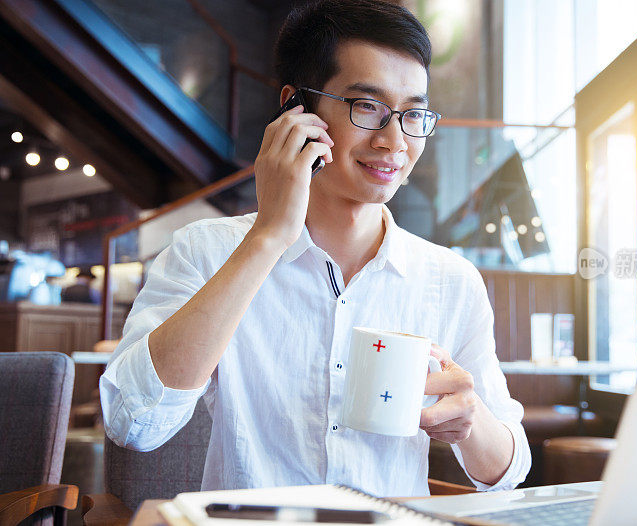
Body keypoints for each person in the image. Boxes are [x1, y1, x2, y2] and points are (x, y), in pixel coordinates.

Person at [100, 0, 531, 497]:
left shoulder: (450, 280)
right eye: (367, 106)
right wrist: (269, 237)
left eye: (413, 114)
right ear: (297, 108)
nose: (395, 140)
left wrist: (470, 422)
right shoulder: (207, 250)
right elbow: (135, 424)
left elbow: (508, 471)